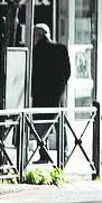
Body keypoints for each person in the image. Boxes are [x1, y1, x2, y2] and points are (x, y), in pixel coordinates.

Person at [31, 23, 71, 163]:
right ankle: (64, 155)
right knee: (61, 125)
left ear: (37, 36)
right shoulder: (61, 49)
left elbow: (32, 74)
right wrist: (59, 87)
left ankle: (44, 155)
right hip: (57, 95)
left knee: (41, 126)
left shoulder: (36, 51)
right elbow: (67, 72)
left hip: (41, 95)